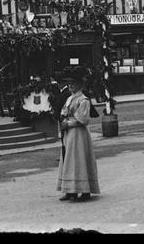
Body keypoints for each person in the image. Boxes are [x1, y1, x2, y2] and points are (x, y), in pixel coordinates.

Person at [56, 66, 100, 202]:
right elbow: (64, 112)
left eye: (73, 84)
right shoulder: (70, 98)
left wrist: (68, 124)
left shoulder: (83, 100)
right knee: (68, 159)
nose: (70, 86)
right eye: (69, 84)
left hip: (78, 134)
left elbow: (83, 119)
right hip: (69, 134)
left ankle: (84, 191)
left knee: (78, 160)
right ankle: (70, 191)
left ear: (80, 85)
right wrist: (62, 124)